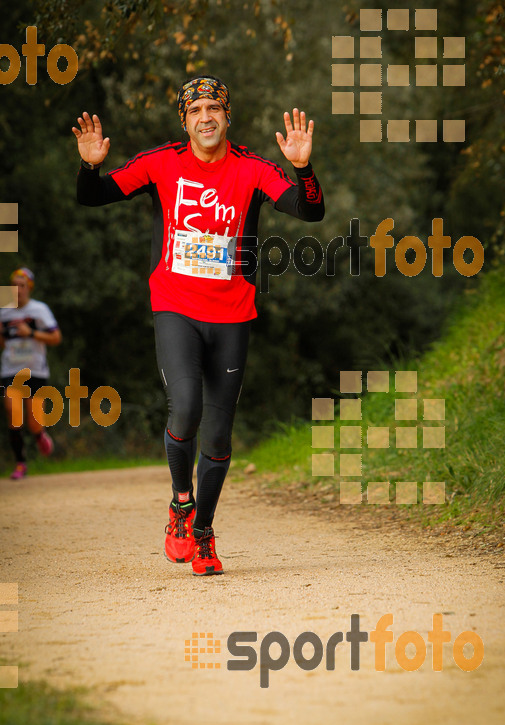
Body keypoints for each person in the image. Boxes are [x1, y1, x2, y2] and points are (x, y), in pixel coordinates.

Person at [73, 74, 324, 576]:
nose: (205, 116)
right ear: (184, 121)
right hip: (175, 305)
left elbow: (310, 211)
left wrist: (303, 168)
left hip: (233, 313)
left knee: (220, 435)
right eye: (195, 110)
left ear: (227, 116)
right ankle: (180, 506)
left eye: (214, 107)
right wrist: (89, 165)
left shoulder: (253, 168)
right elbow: (93, 197)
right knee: (184, 407)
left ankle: (205, 534)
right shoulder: (162, 162)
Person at [1, 267, 62, 479]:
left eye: (22, 286)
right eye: (14, 286)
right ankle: (20, 464)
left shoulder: (40, 310)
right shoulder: (3, 311)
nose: (18, 290)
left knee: (34, 421)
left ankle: (39, 435)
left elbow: (56, 338)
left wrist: (32, 333)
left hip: (35, 370)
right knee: (12, 410)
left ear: (29, 288)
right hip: (11, 369)